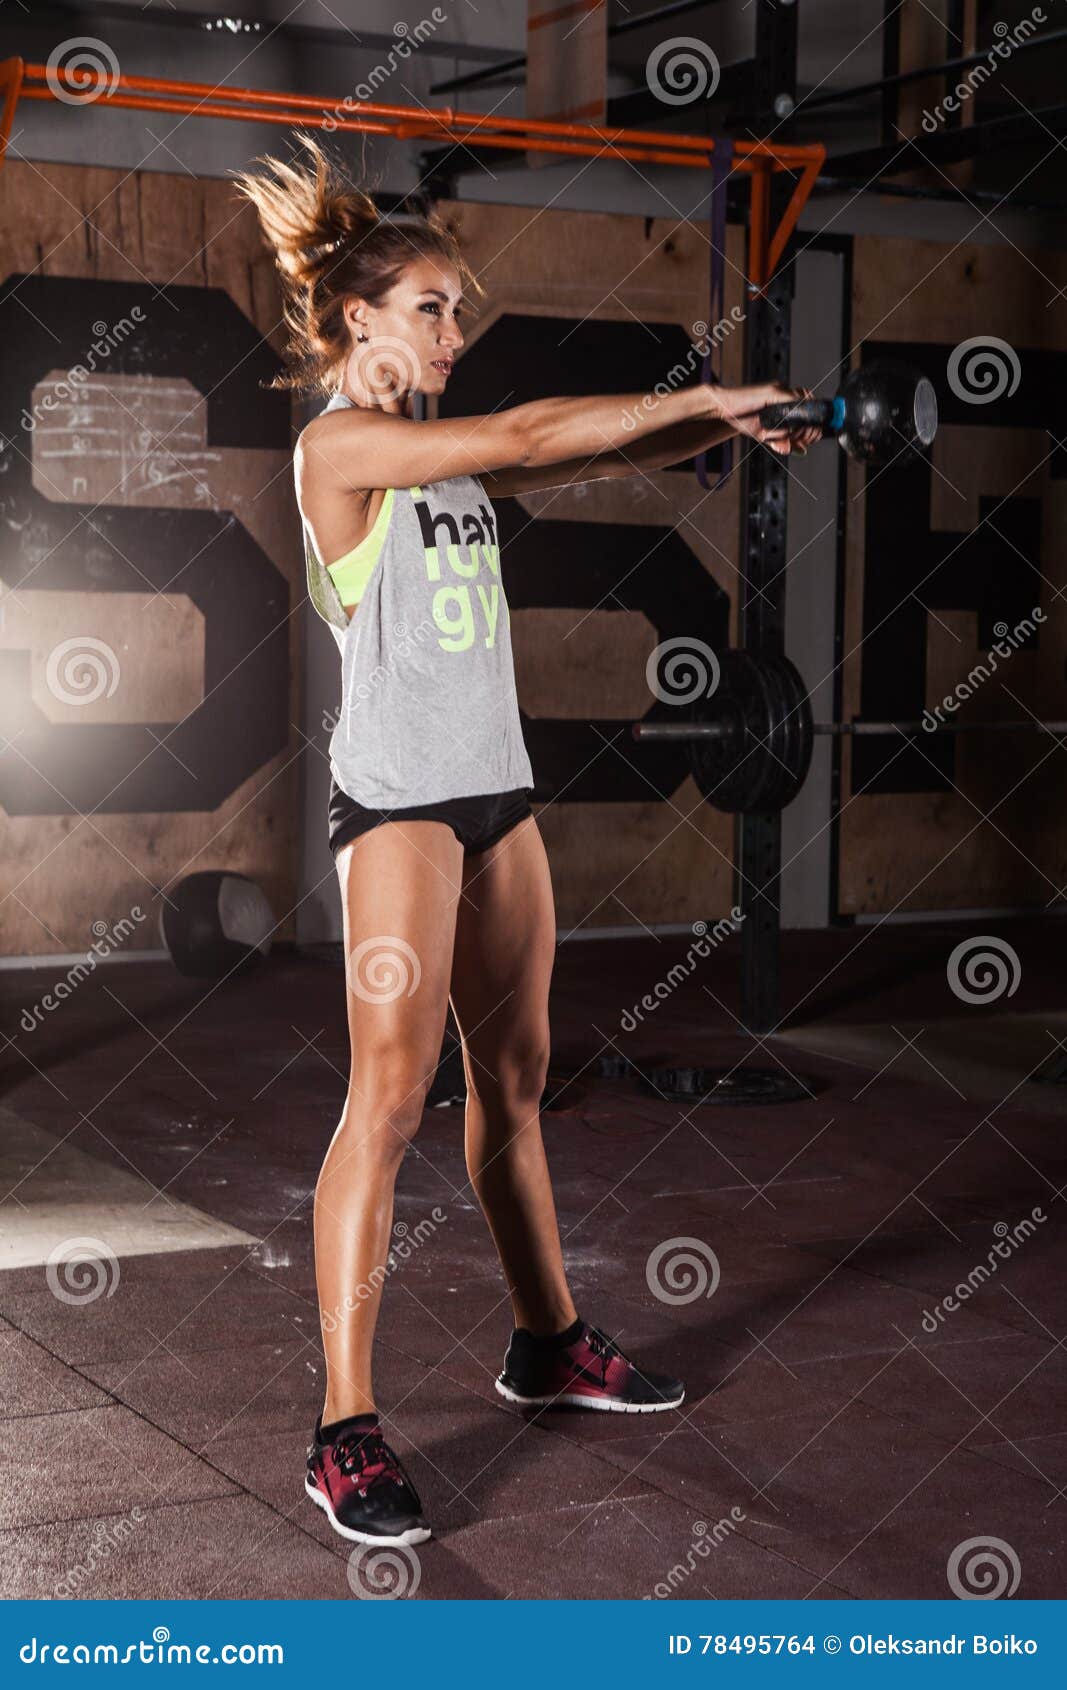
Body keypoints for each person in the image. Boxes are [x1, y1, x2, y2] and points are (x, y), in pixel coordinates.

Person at [234, 133, 816, 1548]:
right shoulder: (342, 445)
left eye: (458, 304)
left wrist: (714, 426)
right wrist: (706, 388)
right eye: (430, 305)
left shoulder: (441, 460)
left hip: (498, 793)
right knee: (389, 1092)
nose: (455, 325)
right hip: (401, 810)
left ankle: (547, 1338)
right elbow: (520, 431)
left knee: (518, 1080)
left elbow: (565, 447)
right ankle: (343, 1427)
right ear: (360, 318)